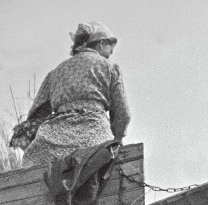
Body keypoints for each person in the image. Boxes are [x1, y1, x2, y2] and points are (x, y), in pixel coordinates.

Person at [19, 21, 131, 167]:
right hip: (94, 140)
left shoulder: (55, 72)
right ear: (101, 43)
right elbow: (123, 113)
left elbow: (36, 114)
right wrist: (118, 138)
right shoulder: (109, 67)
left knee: (31, 160)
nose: (110, 55)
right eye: (110, 49)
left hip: (51, 145)